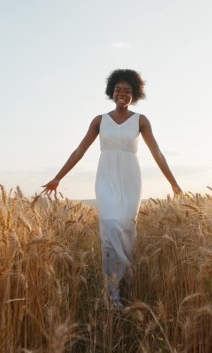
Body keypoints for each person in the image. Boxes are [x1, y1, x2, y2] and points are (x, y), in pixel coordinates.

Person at [42, 69, 182, 308]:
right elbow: (79, 151)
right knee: (111, 225)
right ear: (111, 92)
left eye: (127, 91)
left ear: (134, 95)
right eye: (118, 90)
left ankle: (125, 283)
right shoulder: (99, 120)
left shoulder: (141, 120)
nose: (122, 94)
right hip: (106, 179)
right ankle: (113, 294)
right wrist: (58, 178)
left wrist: (173, 183)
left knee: (127, 230)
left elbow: (156, 152)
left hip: (130, 180)